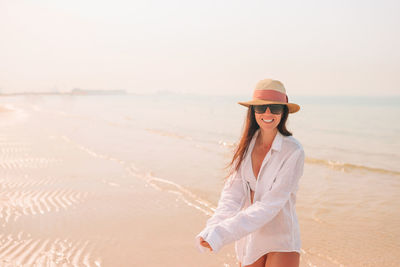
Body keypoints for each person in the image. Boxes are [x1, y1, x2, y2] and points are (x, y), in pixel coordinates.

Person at [195, 79, 305, 267]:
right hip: (250, 239)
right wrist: (212, 228)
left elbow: (270, 205)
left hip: (281, 237)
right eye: (261, 108)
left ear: (283, 112)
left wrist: (222, 233)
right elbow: (231, 196)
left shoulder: (293, 151)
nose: (267, 113)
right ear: (253, 112)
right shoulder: (244, 147)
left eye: (275, 108)